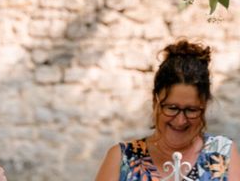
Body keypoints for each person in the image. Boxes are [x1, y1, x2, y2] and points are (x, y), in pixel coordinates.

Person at [95, 40, 240, 181]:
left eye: (191, 110)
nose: (180, 120)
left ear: (204, 106)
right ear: (155, 102)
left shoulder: (223, 153)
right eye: (172, 108)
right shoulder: (122, 158)